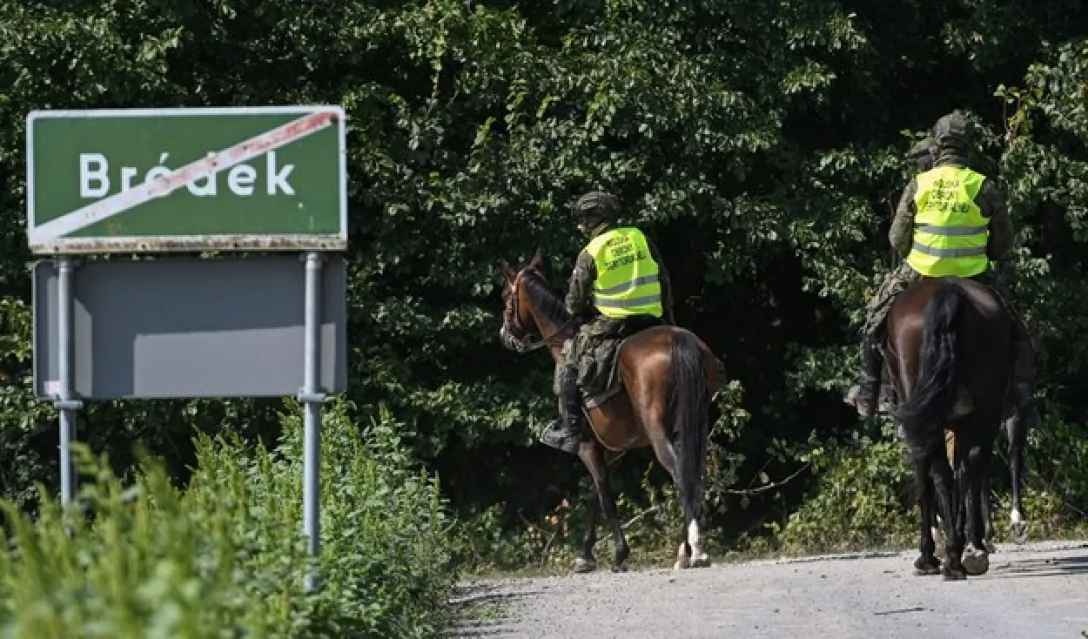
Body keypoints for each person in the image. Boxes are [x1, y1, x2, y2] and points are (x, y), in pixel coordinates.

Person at [844, 111, 1039, 427]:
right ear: (967, 147)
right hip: (975, 273)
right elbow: (1003, 243)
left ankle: (870, 391)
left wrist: (916, 254)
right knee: (1021, 327)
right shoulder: (982, 186)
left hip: (922, 270)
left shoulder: (919, 184)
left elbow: (896, 238)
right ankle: (1021, 394)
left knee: (875, 316)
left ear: (937, 145)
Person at [540, 191, 676, 454]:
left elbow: (573, 303)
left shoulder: (591, 251)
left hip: (613, 325)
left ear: (595, 219)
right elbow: (664, 280)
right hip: (652, 319)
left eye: (583, 219)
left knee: (567, 359)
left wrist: (579, 306)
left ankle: (570, 431)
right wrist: (670, 319)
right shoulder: (640, 237)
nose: (581, 225)